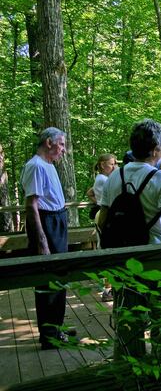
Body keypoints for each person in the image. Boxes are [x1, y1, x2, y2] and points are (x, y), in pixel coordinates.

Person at [97, 119, 161, 351]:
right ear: (156, 149)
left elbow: (102, 219)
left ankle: (129, 378)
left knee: (128, 324)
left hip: (125, 260)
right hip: (158, 259)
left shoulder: (116, 176)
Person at [21, 126, 75, 350]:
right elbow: (31, 205)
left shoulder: (49, 165)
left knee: (59, 277)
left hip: (57, 220)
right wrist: (42, 240)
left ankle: (56, 328)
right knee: (48, 280)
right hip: (46, 223)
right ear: (49, 143)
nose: (64, 149)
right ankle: (49, 335)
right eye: (61, 144)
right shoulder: (35, 166)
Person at [86, 153, 118, 301]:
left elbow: (89, 192)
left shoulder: (101, 179)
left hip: (102, 212)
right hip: (104, 214)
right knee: (107, 249)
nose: (114, 166)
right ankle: (107, 289)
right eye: (112, 163)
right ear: (103, 165)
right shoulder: (103, 179)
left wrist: (96, 200)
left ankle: (109, 287)